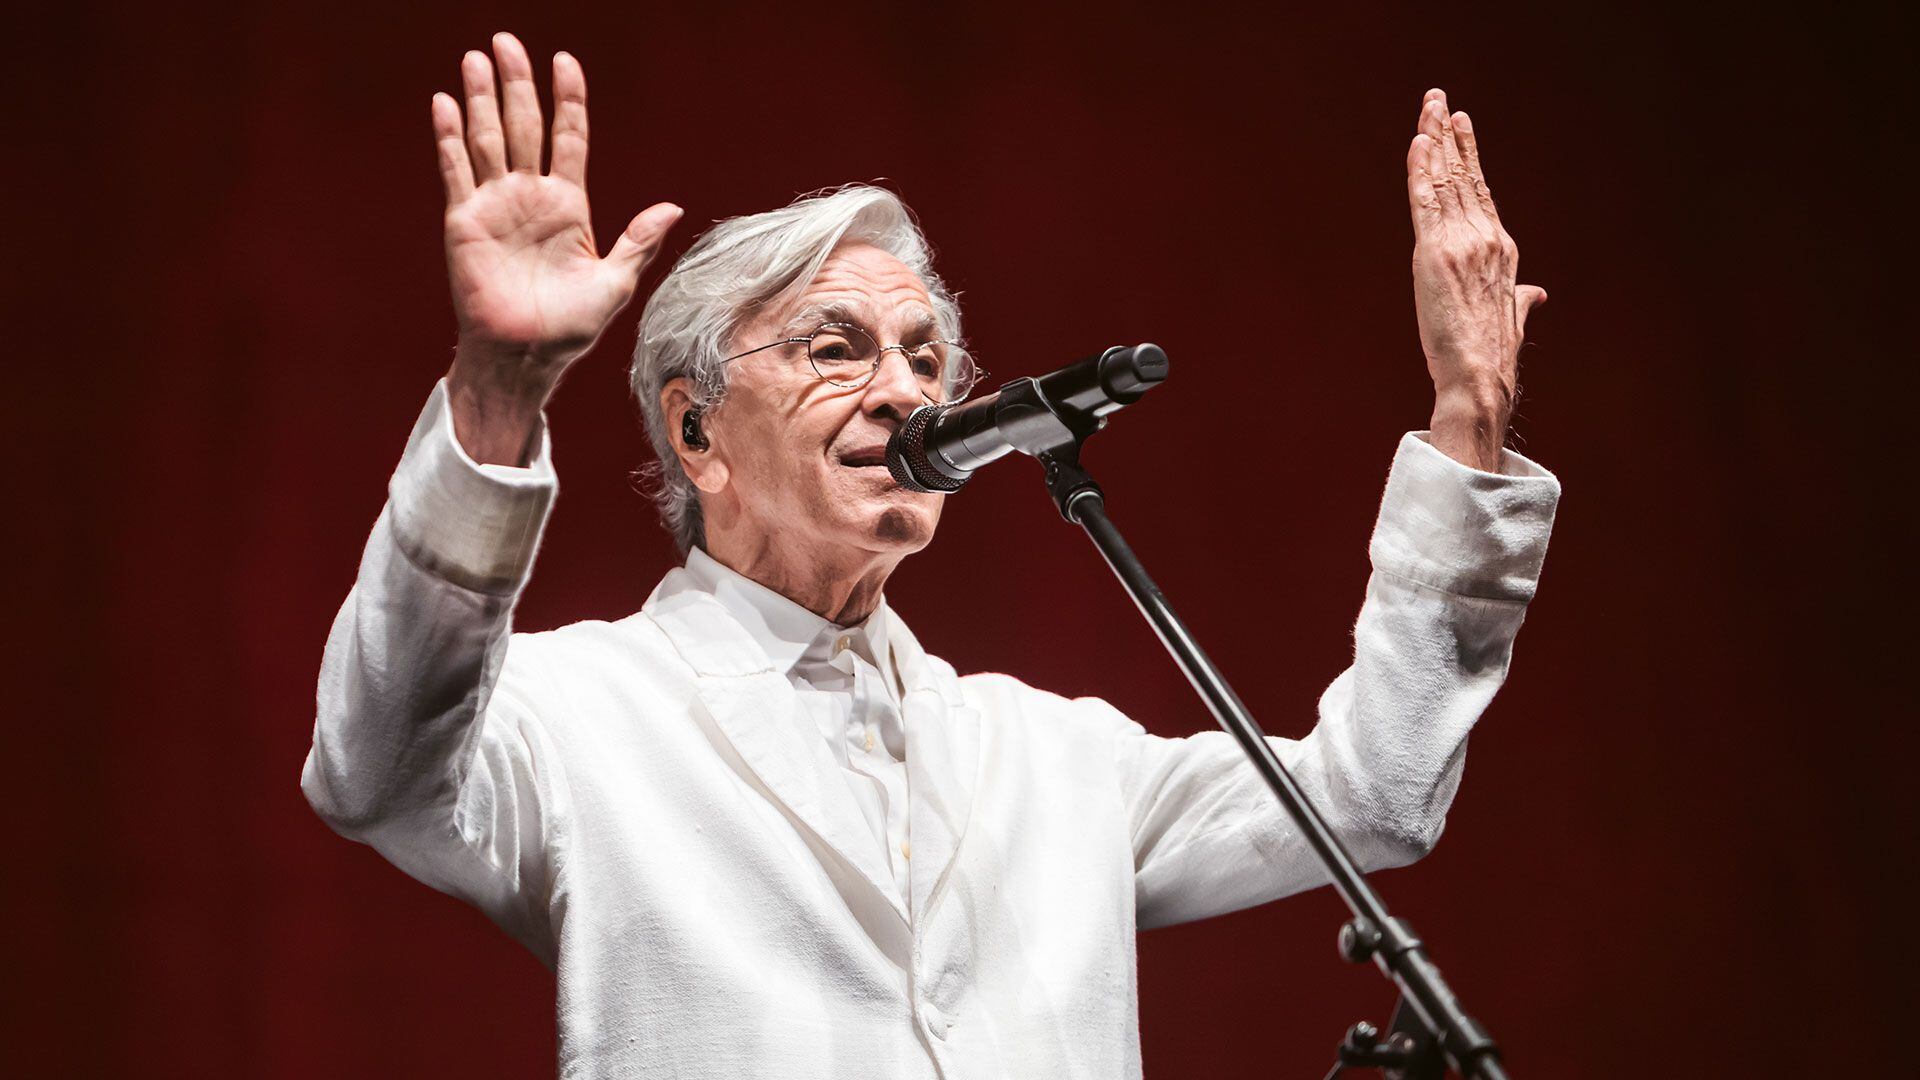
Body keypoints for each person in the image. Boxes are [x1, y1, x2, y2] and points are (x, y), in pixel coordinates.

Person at [300, 29, 1561, 1080]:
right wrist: (500, 389)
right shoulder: (580, 712)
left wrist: (1469, 418)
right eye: (835, 348)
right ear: (697, 433)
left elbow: (1373, 799)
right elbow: (378, 774)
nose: (907, 394)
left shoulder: (1053, 756)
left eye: (926, 359)